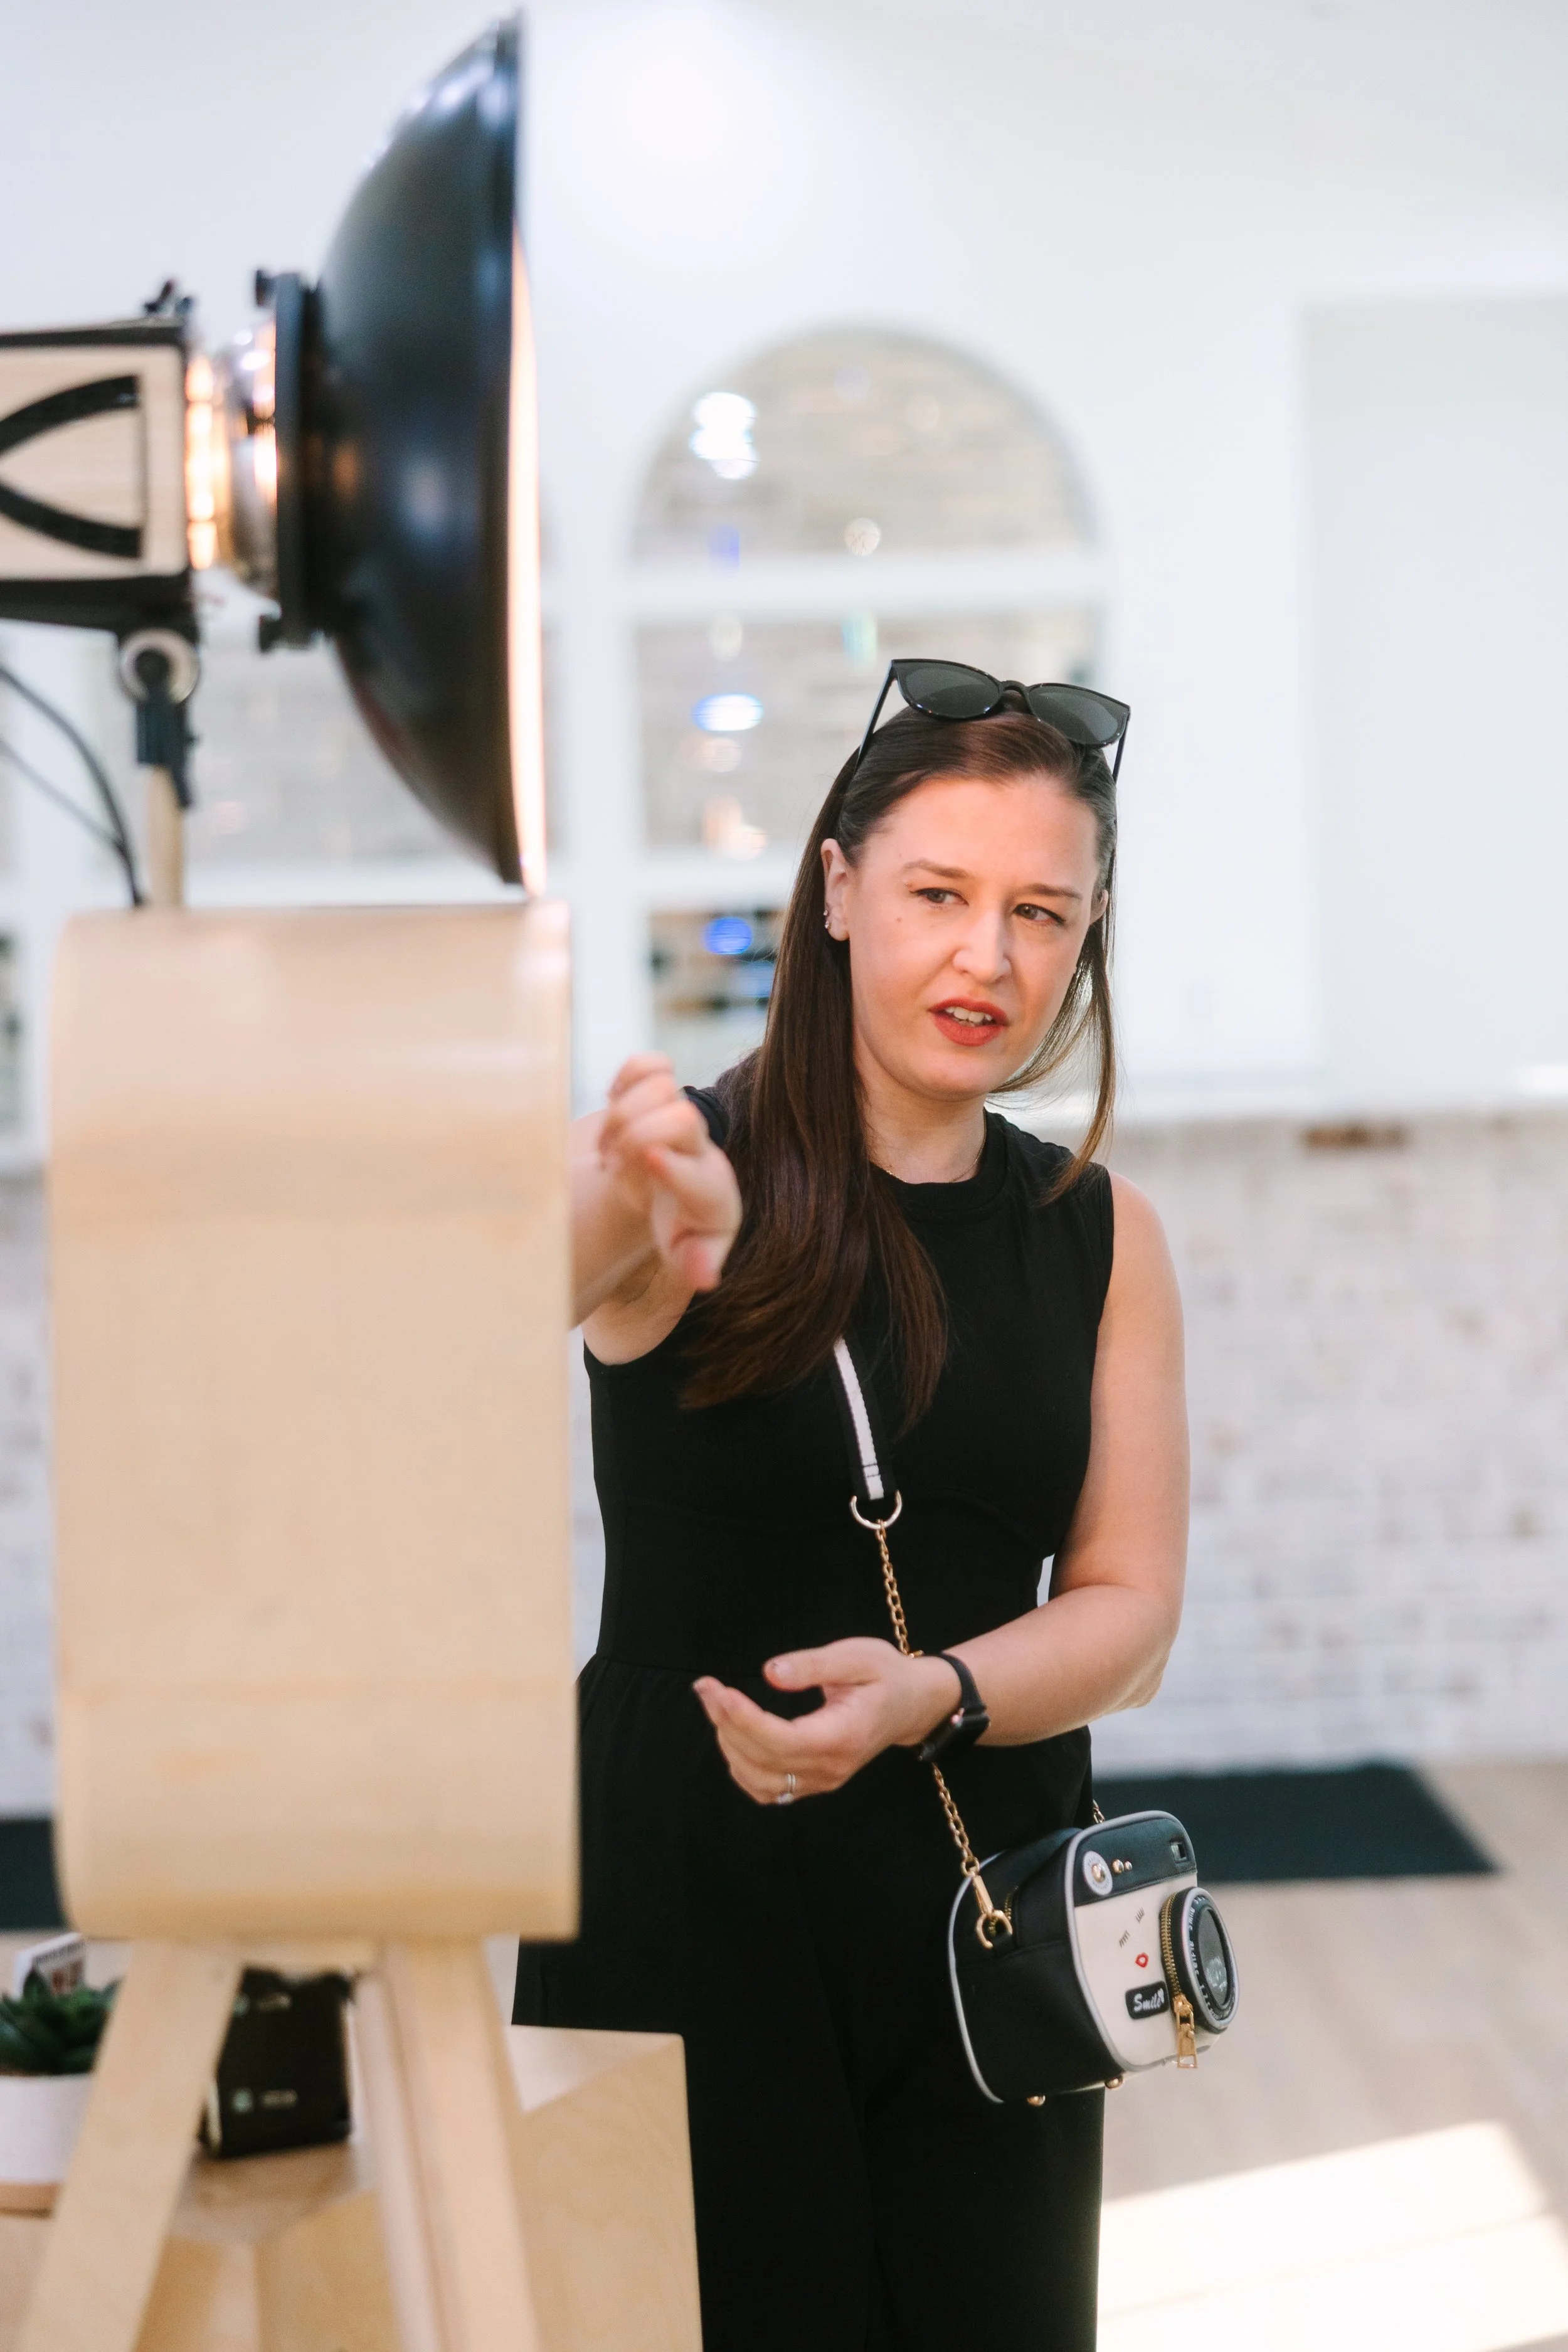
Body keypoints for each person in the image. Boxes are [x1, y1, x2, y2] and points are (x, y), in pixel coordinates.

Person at [515, 666, 1189, 2352]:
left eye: (1041, 912)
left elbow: (1126, 1608)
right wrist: (615, 1195)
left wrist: (931, 1698)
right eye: (938, 895)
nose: (988, 958)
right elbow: (506, 1293)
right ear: (833, 887)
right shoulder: (692, 1174)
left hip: (995, 1897)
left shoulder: (1100, 1232)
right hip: (690, 1890)